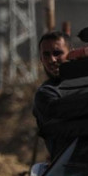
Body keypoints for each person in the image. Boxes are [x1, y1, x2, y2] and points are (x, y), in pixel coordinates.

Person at [33, 31, 70, 160]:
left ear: (71, 53)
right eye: (46, 55)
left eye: (57, 53)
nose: (52, 60)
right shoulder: (46, 94)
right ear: (41, 59)